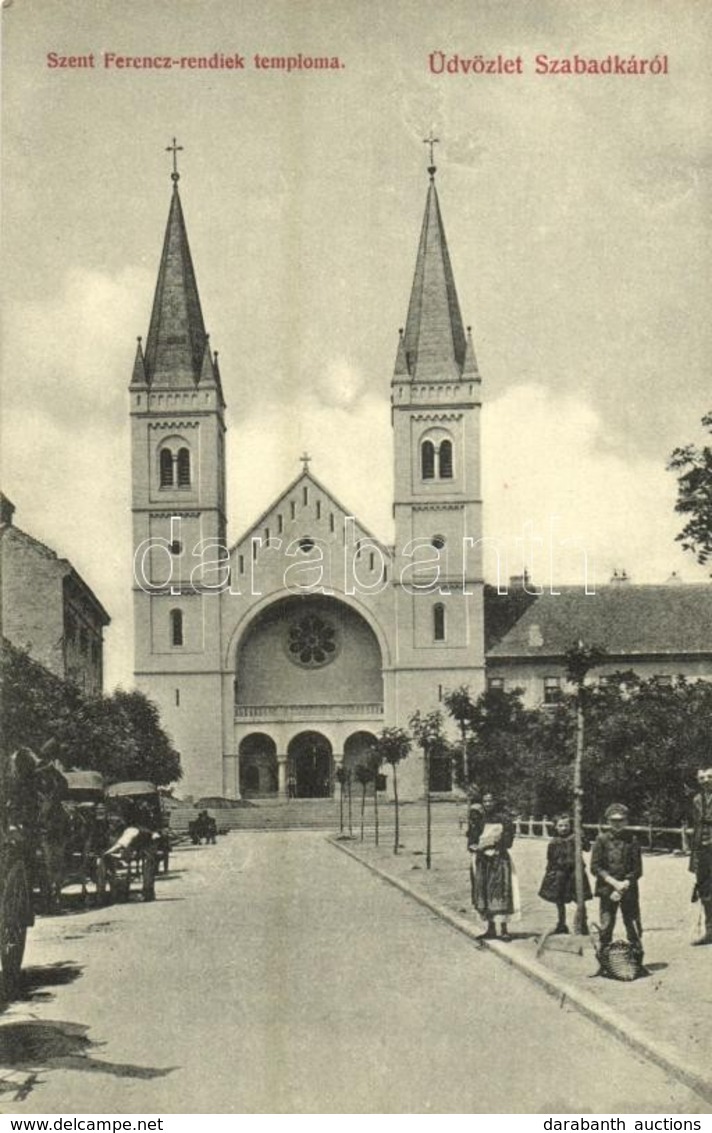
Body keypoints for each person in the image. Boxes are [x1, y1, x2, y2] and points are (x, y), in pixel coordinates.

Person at [590, 803, 643, 953]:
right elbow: (595, 867)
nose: (617, 823)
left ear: (626, 821)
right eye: (613, 820)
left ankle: (637, 957)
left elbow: (637, 869)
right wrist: (613, 883)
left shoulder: (632, 840)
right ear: (608, 822)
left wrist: (624, 884)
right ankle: (604, 958)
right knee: (606, 924)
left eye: (621, 820)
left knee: (632, 922)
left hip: (628, 888)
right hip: (607, 888)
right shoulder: (601, 840)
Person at [470, 791, 517, 941]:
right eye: (485, 801)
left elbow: (508, 841)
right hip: (483, 860)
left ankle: (504, 929)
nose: (488, 804)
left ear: (496, 802)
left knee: (501, 891)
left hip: (499, 859)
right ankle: (490, 928)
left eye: (491, 801)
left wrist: (494, 844)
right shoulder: (479, 818)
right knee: (484, 891)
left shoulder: (505, 819)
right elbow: (472, 837)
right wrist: (473, 846)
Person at [538, 813, 592, 934]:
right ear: (556, 827)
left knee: (580, 899)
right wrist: (549, 875)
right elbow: (550, 860)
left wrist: (582, 836)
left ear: (570, 826)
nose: (563, 828)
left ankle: (582, 923)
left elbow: (587, 848)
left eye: (566, 825)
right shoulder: (553, 842)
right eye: (560, 826)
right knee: (559, 900)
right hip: (560, 874)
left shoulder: (575, 838)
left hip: (575, 874)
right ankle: (561, 923)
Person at [689, 766, 712, 946]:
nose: (706, 781)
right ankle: (710, 931)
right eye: (702, 778)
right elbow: (697, 828)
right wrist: (694, 858)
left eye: (709, 777)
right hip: (703, 851)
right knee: (705, 892)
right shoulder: (697, 800)